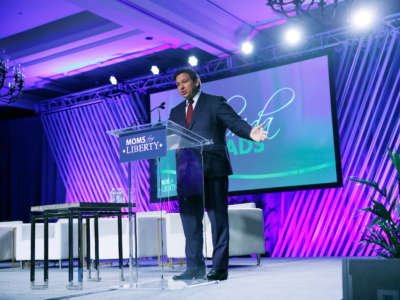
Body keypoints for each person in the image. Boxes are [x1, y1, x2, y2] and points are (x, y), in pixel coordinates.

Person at [169, 68, 267, 281]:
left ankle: (219, 268)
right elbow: (171, 140)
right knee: (190, 223)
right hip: (188, 173)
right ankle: (194, 267)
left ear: (197, 81)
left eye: (185, 82)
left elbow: (235, 122)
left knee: (218, 221)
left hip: (213, 169)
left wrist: (251, 132)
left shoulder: (214, 102)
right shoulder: (175, 112)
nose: (181, 87)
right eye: (178, 84)